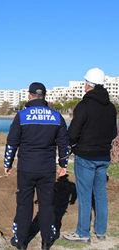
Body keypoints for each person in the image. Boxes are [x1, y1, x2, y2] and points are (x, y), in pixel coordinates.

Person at [4, 82, 69, 250]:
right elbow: (64, 144)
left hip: (26, 168)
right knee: (47, 204)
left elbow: (12, 142)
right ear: (45, 96)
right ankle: (47, 240)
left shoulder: (22, 116)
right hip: (47, 169)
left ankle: (21, 241)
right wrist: (63, 165)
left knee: (24, 203)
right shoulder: (56, 116)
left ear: (29, 95)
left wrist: (8, 163)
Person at [63, 68, 117, 243]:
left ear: (89, 85)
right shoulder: (110, 107)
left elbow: (73, 132)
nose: (85, 86)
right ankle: (100, 231)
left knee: (85, 195)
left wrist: (71, 146)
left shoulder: (84, 105)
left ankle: (82, 233)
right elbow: (112, 132)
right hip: (103, 156)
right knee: (100, 194)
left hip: (86, 156)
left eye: (86, 83)